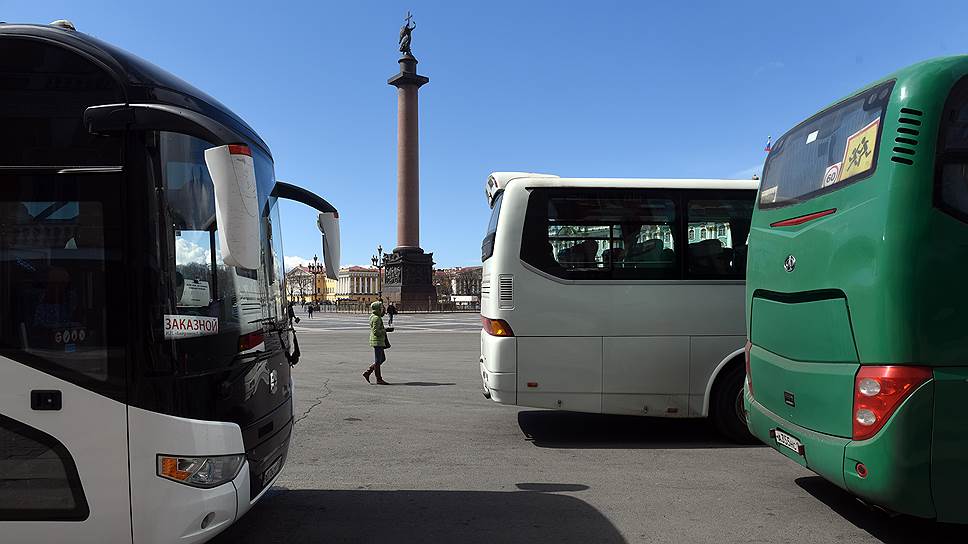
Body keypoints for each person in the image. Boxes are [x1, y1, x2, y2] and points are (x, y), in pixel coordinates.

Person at [363, 301, 390, 385]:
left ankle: (368, 372)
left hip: (378, 341)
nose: (383, 309)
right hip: (377, 341)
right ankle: (378, 379)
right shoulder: (376, 318)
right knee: (378, 360)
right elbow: (376, 332)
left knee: (382, 359)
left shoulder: (374, 316)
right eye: (381, 308)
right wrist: (385, 330)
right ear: (378, 309)